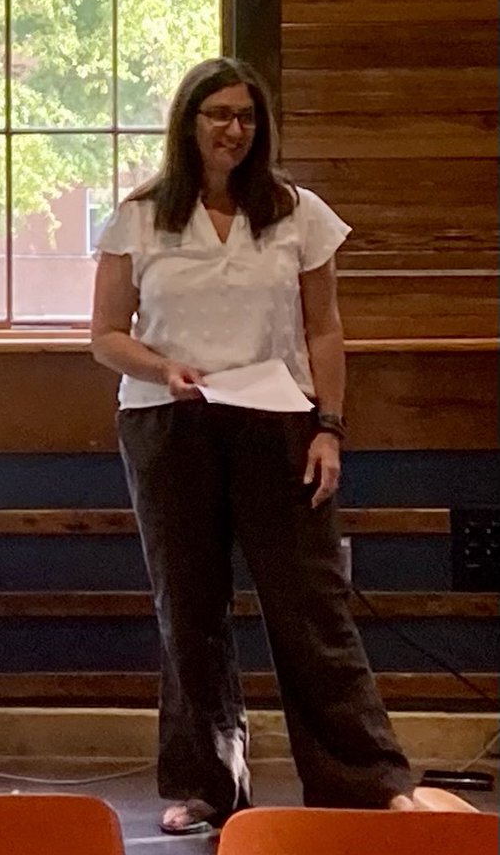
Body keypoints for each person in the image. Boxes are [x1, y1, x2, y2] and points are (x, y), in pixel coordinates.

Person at [90, 57, 420, 834]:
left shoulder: (297, 212)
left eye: (245, 116)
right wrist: (163, 367)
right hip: (169, 423)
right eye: (217, 115)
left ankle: (366, 781)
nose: (233, 130)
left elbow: (325, 329)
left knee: (310, 607)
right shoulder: (139, 215)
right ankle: (210, 785)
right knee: (190, 608)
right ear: (188, 125)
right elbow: (105, 336)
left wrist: (330, 427)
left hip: (280, 423)